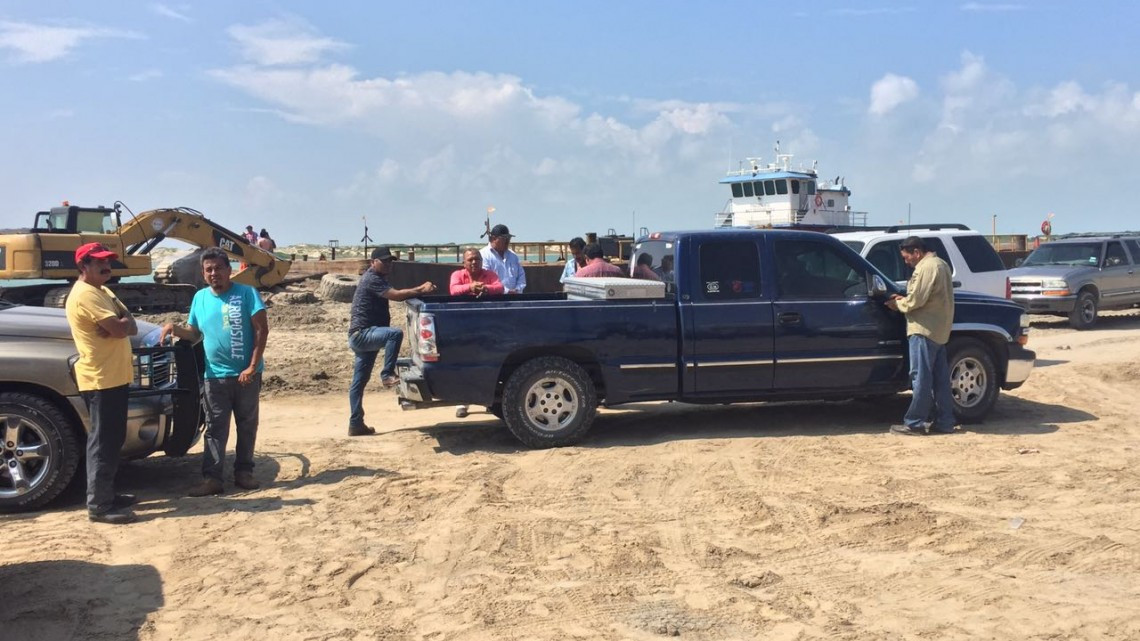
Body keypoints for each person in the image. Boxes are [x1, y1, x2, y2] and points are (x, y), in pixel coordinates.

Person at [160, 248, 269, 495]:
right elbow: (195, 332)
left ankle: (244, 472)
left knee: (247, 425)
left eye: (218, 268)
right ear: (202, 272)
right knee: (215, 428)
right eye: (208, 269)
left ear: (229, 270)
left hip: (246, 376)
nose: (214, 273)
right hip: (215, 376)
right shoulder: (199, 298)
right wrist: (175, 328)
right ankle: (213, 479)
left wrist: (252, 366)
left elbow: (262, 330)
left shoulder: (247, 293)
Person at [65, 243, 140, 524]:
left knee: (112, 439)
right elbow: (122, 328)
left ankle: (106, 493)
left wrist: (122, 325)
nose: (106, 266)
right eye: (98, 262)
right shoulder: (86, 295)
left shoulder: (103, 290)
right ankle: (99, 505)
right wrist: (121, 325)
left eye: (108, 261)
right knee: (103, 442)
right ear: (83, 266)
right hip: (100, 379)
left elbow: (128, 324)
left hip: (113, 377)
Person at [347, 246, 436, 436]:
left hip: (365, 334)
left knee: (358, 382)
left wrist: (416, 290)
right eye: (384, 261)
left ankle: (355, 424)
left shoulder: (378, 278)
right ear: (373, 262)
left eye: (390, 261)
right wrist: (420, 289)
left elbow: (397, 291)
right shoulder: (372, 278)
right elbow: (395, 295)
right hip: (362, 334)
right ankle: (387, 374)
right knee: (394, 334)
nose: (388, 264)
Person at [885, 236, 956, 436]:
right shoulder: (941, 264)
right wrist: (906, 298)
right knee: (940, 379)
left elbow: (917, 300)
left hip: (923, 329)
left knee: (921, 377)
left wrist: (897, 304)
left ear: (916, 252)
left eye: (907, 258)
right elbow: (929, 296)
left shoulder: (926, 268)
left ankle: (915, 422)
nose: (906, 262)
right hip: (939, 330)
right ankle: (945, 421)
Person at [449, 250, 504, 418]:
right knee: (464, 362)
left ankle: (487, 401)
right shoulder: (458, 274)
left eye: (477, 259)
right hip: (464, 325)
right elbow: (453, 289)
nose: (474, 262)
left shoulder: (489, 274)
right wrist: (470, 287)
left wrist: (486, 289)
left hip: (487, 325)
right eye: (470, 260)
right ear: (464, 262)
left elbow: (500, 287)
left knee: (487, 362)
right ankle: (462, 403)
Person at [480, 224, 526, 293]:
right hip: (494, 297)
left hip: (515, 297)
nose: (507, 241)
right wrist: (506, 291)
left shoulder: (513, 255)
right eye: (504, 238)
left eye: (509, 238)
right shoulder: (483, 255)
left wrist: (517, 289)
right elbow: (486, 277)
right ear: (494, 239)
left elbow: (521, 276)